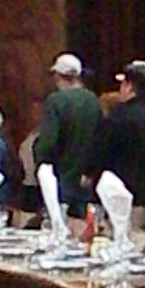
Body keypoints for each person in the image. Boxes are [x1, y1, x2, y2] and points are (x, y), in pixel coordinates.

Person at [84, 59, 145, 231]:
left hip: (136, 199)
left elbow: (99, 155)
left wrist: (89, 175)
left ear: (129, 87)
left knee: (133, 244)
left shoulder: (119, 117)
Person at [34, 52, 101, 218]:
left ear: (57, 75)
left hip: (61, 180)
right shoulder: (93, 100)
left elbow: (48, 142)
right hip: (86, 181)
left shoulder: (56, 101)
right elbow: (101, 139)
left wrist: (41, 164)